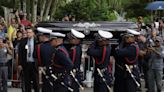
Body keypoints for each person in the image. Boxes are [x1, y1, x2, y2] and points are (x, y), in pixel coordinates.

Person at [18, 27, 39, 92]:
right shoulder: (23, 41)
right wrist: (20, 64)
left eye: (30, 32)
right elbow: (20, 53)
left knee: (36, 81)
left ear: (33, 33)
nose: (28, 34)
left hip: (34, 64)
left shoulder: (37, 42)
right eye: (27, 32)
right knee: (27, 82)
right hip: (26, 64)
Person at [36, 27, 54, 92]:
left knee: (45, 86)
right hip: (54, 69)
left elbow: (36, 57)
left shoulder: (40, 46)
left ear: (43, 36)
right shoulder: (53, 46)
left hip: (43, 68)